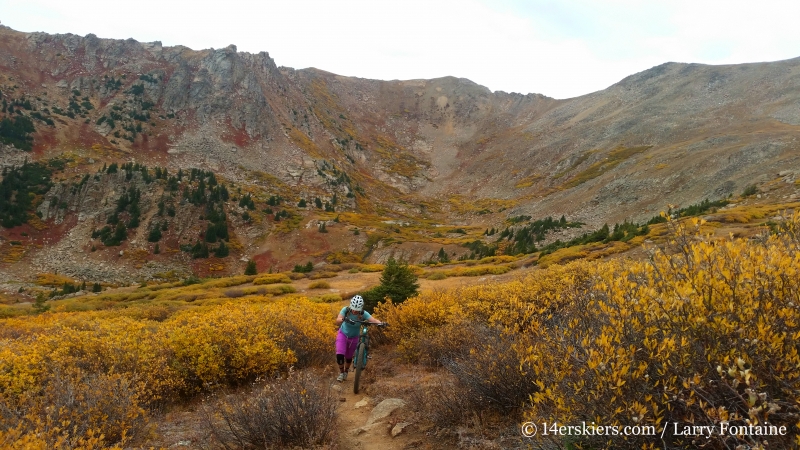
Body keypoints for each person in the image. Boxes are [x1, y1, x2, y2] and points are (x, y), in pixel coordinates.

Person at [335, 294, 384, 382]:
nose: (354, 311)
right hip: (343, 334)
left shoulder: (363, 314)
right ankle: (341, 373)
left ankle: (346, 372)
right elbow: (338, 319)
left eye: (357, 310)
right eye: (353, 309)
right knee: (340, 354)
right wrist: (344, 319)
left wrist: (380, 323)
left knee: (349, 357)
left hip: (354, 337)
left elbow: (373, 320)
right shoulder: (345, 310)